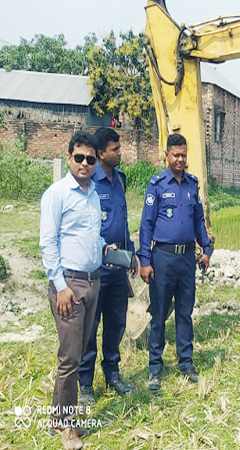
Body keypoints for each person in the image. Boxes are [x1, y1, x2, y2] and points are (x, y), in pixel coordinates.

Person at [40, 131, 113, 450]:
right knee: (70, 357)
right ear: (69, 157)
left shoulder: (94, 193)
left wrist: (102, 248)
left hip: (93, 279)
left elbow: (88, 235)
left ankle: (58, 416)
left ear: (96, 162)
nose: (85, 164)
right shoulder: (56, 194)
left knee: (79, 352)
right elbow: (48, 242)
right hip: (69, 283)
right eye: (79, 157)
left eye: (90, 159)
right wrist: (60, 286)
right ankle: (68, 426)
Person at [138, 133, 212, 391]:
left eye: (183, 155)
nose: (180, 159)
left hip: (186, 260)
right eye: (175, 155)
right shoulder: (157, 184)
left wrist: (206, 248)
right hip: (163, 258)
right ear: (167, 154)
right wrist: (144, 259)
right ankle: (155, 367)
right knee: (158, 314)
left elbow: (198, 221)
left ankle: (186, 361)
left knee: (184, 312)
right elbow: (146, 225)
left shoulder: (193, 184)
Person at [78, 128, 138, 406]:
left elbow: (123, 224)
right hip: (95, 270)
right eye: (115, 149)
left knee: (116, 325)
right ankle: (86, 384)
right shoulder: (90, 183)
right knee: (90, 329)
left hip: (118, 269)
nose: (119, 152)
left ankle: (112, 373)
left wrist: (132, 253)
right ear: (101, 153)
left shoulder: (120, 181)